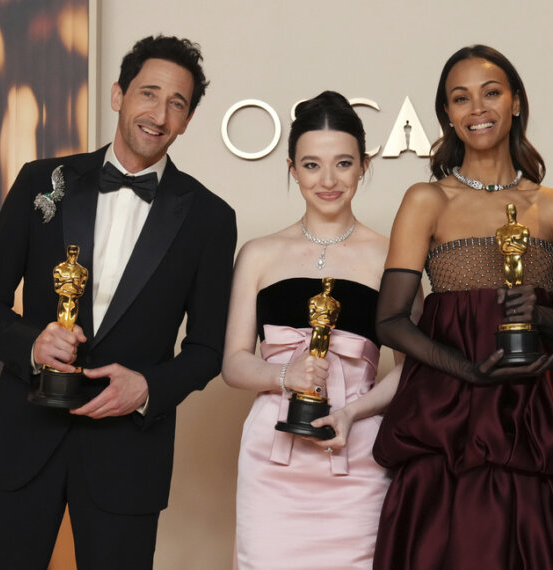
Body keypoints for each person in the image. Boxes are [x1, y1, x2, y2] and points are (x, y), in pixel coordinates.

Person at [0, 35, 237, 569]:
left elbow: (207, 348)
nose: (158, 114)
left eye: (176, 104)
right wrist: (32, 345)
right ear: (118, 95)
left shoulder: (209, 217)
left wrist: (147, 390)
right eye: (148, 93)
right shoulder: (42, 181)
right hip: (22, 441)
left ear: (187, 120)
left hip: (127, 456)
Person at [372, 45, 553, 569]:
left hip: (541, 417)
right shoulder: (426, 200)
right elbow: (391, 319)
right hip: (449, 416)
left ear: (516, 103)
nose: (476, 109)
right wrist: (467, 371)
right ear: (447, 115)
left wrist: (539, 313)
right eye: (460, 99)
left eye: (490, 93)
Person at [222, 91, 408, 570]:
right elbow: (235, 363)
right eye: (311, 165)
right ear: (291, 168)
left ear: (364, 165)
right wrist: (286, 376)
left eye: (343, 163)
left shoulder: (392, 258)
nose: (328, 181)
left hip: (357, 452)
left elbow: (412, 373)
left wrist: (352, 413)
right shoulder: (258, 254)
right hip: (271, 458)